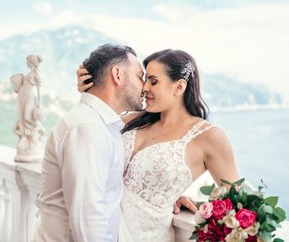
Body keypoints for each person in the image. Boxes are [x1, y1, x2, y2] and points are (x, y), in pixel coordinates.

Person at [77, 49, 239, 241]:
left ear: (179, 87)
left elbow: (237, 199)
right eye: (144, 80)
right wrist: (90, 91)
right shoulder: (132, 121)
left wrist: (200, 206)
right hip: (101, 230)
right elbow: (87, 131)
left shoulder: (209, 137)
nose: (144, 88)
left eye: (153, 81)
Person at [33, 44, 145, 242]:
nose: (144, 87)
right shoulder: (88, 128)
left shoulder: (99, 123)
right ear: (117, 75)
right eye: (140, 76)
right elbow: (87, 219)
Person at [11, 54, 46, 162]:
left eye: (27, 61)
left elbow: (39, 91)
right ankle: (25, 139)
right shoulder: (29, 73)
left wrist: (39, 105)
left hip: (29, 98)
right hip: (23, 97)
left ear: (31, 62)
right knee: (22, 118)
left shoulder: (36, 74)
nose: (26, 63)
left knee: (29, 119)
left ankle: (37, 134)